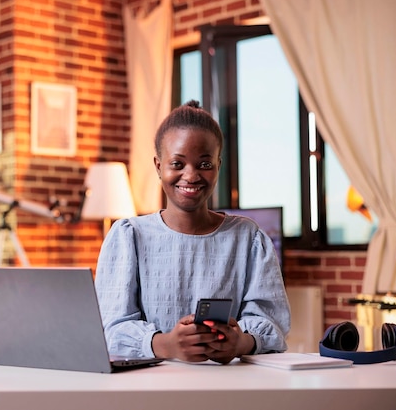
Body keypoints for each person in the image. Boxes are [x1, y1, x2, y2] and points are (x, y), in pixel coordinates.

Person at [94, 100, 290, 364]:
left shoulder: (249, 238)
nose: (191, 175)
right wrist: (166, 344)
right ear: (158, 166)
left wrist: (241, 341)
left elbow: (271, 321)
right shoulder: (129, 236)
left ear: (218, 166)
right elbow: (109, 328)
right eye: (177, 163)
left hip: (230, 387)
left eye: (204, 164)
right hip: (148, 391)